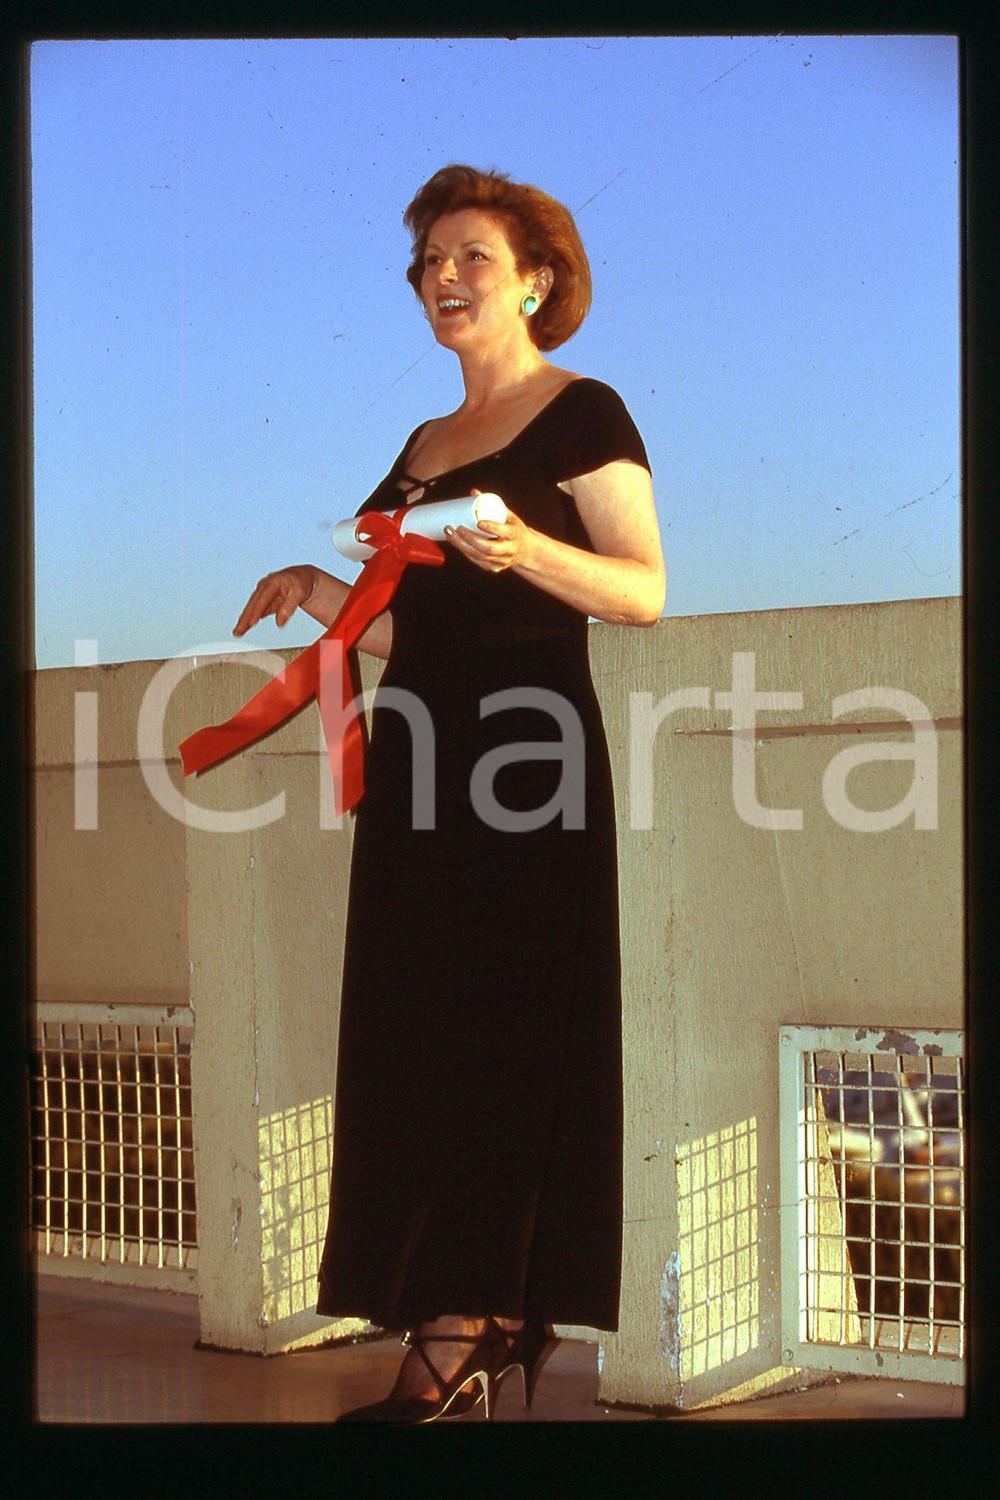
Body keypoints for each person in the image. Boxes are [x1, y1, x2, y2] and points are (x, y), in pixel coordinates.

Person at [233, 164, 666, 1422]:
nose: (442, 277)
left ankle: (471, 1324)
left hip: (527, 758)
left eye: (468, 256)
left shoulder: (581, 411)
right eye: (427, 260)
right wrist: (324, 597)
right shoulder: (424, 446)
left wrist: (524, 546)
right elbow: (409, 628)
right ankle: (470, 1313)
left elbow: (641, 589)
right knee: (415, 1033)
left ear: (535, 278)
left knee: (506, 1035)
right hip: (423, 757)